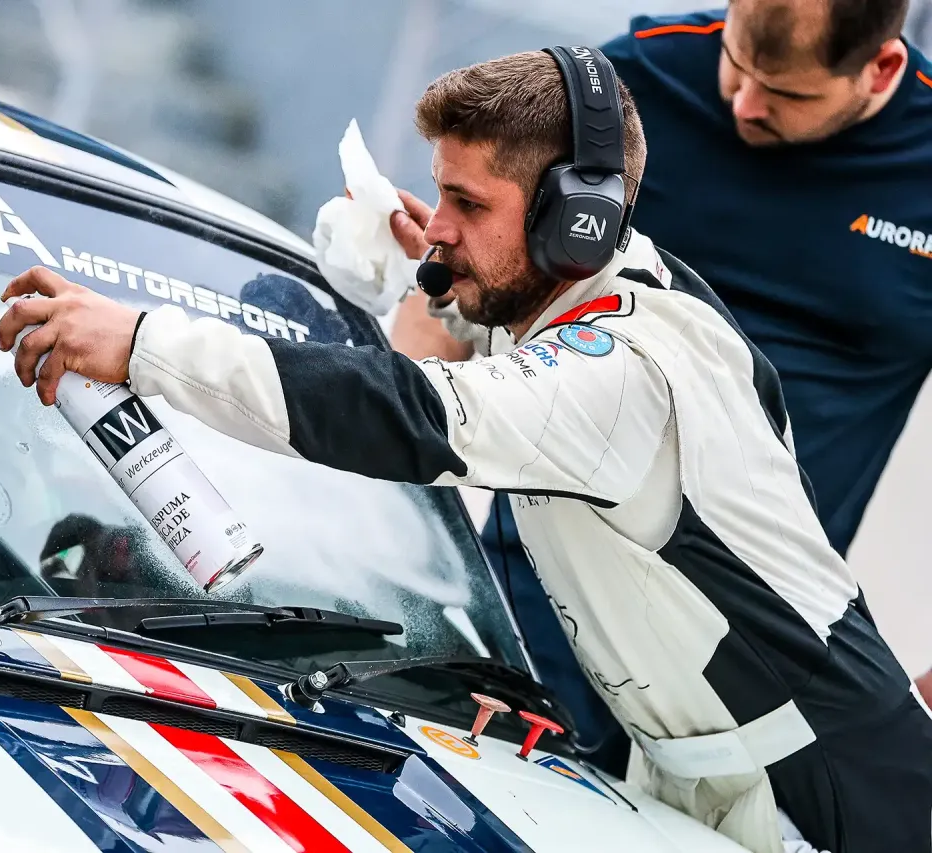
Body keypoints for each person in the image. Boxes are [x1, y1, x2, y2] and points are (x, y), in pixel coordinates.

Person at [0, 46, 932, 853]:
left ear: (575, 221)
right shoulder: (614, 291)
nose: (439, 224)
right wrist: (431, 265)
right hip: (728, 769)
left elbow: (406, 411)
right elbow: (506, 339)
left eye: (466, 201)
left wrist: (142, 342)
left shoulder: (620, 373)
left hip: (831, 800)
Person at [387, 0, 932, 769]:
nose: (745, 104)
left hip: (743, 663)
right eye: (736, 64)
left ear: (882, 67)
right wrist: (397, 487)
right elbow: (453, 284)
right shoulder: (627, 89)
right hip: (539, 607)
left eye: (785, 92)